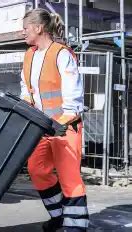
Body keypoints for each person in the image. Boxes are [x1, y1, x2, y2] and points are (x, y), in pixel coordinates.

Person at [20, 8, 89, 232]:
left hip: (65, 126)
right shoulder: (29, 54)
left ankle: (76, 226)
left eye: (25, 28)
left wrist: (60, 123)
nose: (23, 33)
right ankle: (59, 215)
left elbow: (74, 99)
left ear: (38, 28)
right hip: (41, 127)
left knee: (69, 177)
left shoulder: (61, 54)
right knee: (37, 169)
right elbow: (26, 90)